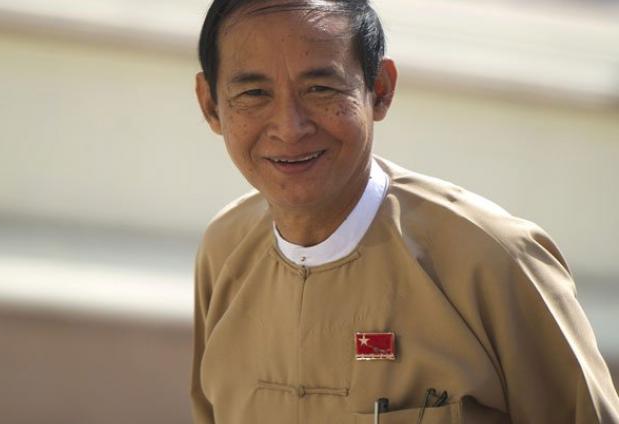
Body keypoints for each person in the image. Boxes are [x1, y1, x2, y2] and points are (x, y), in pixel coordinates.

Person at [190, 0, 619, 423]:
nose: (289, 126)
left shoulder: (491, 259)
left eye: (321, 88)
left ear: (380, 89)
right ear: (211, 105)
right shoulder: (224, 251)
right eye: (253, 93)